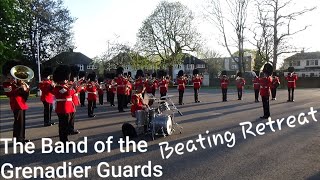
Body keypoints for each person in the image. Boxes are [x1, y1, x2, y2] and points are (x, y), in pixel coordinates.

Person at [2, 60, 30, 143]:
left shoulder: (18, 82)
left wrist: (24, 88)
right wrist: (19, 88)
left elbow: (26, 91)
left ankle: (21, 138)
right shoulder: (7, 83)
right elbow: (9, 94)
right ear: (8, 73)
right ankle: (18, 139)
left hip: (22, 103)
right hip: (16, 103)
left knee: (22, 122)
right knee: (18, 122)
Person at [52, 65, 75, 144]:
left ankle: (65, 140)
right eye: (65, 78)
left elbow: (71, 93)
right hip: (62, 108)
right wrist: (72, 87)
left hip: (67, 107)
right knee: (63, 126)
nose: (66, 80)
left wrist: (71, 87)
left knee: (65, 125)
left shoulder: (63, 86)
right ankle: (63, 141)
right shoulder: (58, 87)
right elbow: (68, 93)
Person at [68, 65, 80, 134]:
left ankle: (71, 129)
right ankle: (69, 129)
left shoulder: (72, 81)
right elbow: (70, 92)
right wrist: (74, 87)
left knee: (72, 117)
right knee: (70, 117)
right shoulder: (69, 83)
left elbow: (77, 91)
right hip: (70, 100)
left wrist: (76, 87)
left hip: (74, 100)